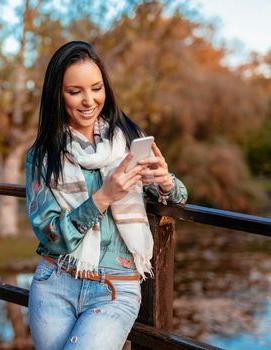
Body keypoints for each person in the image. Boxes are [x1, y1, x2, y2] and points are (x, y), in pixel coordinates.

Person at [25, 40, 188, 350]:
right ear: (57, 95)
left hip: (116, 288)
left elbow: (176, 197)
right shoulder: (43, 155)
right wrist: (103, 197)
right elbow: (52, 236)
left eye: (96, 88)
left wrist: (166, 181)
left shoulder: (128, 138)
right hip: (54, 284)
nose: (89, 101)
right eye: (75, 92)